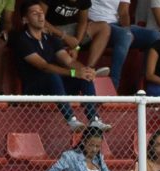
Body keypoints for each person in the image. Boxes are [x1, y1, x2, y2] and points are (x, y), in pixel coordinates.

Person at [14, 0, 112, 132]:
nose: (40, 16)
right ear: (25, 19)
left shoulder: (51, 39)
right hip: (34, 88)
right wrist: (73, 73)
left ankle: (94, 120)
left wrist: (84, 70)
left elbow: (69, 62)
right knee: (53, 76)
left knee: (84, 77)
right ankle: (71, 120)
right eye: (35, 14)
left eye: (41, 13)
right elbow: (44, 66)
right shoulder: (22, 40)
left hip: (56, 86)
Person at [88, 0, 160, 89]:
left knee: (155, 36)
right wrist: (126, 33)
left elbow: (123, 12)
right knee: (125, 36)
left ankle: (143, 85)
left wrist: (127, 29)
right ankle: (113, 84)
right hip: (97, 25)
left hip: (116, 24)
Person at [40, 0, 111, 72]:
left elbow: (83, 22)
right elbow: (39, 19)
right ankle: (87, 73)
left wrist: (76, 47)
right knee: (66, 62)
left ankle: (90, 68)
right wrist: (64, 36)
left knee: (104, 27)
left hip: (70, 30)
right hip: (51, 30)